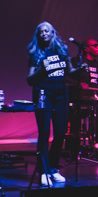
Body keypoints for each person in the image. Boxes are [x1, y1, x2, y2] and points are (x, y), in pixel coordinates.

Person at [27, 22, 73, 186]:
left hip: (61, 94)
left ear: (53, 32)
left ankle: (53, 168)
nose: (44, 33)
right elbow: (30, 80)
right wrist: (42, 70)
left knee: (61, 132)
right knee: (44, 133)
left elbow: (69, 71)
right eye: (41, 32)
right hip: (43, 93)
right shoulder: (36, 52)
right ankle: (43, 171)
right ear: (38, 35)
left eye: (47, 31)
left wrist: (80, 69)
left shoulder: (62, 50)